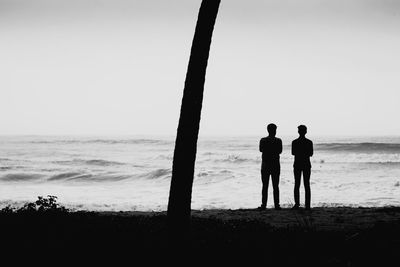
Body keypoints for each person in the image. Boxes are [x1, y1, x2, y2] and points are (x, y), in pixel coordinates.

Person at [258, 123, 282, 210]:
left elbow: (261, 149)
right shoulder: (278, 140)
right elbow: (280, 151)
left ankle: (264, 205)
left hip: (265, 164)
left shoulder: (263, 140)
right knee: (275, 186)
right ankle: (276, 205)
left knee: (265, 185)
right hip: (275, 164)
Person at [291, 125, 313, 210]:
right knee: (306, 184)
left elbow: (293, 153)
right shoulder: (309, 142)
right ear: (306, 131)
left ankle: (297, 204)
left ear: (298, 132)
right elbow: (311, 153)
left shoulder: (294, 142)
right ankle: (307, 205)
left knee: (297, 184)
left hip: (297, 164)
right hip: (306, 164)